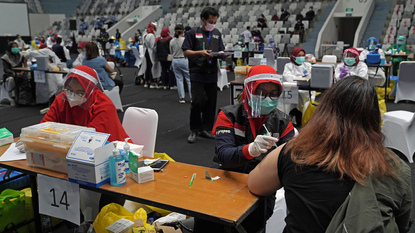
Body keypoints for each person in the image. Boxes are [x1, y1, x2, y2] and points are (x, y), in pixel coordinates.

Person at [248, 76, 413, 233]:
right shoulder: (394, 168)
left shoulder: (293, 153)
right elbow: (402, 225)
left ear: (324, 110)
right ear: (374, 118)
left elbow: (255, 184)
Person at [193, 65, 296, 233]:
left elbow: (288, 162)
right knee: (208, 218)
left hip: (261, 185)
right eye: (261, 93)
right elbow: (224, 156)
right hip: (226, 175)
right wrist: (251, 149)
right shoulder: (228, 115)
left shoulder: (283, 122)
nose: (267, 98)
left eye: (274, 94)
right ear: (248, 90)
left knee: (251, 222)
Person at [182, 7, 227, 143]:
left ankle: (206, 129)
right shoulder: (192, 33)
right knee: (197, 101)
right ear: (203, 19)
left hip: (212, 72)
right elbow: (186, 52)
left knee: (211, 103)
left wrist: (223, 55)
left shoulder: (217, 33)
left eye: (214, 21)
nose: (212, 24)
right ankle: (194, 129)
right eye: (210, 21)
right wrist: (200, 53)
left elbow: (221, 50)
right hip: (197, 72)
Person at [2, 42, 28, 106]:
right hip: (10, 74)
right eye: (13, 47)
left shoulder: (21, 56)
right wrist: (14, 73)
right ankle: (12, 98)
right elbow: (6, 69)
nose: (15, 48)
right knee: (11, 79)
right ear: (10, 48)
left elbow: (25, 67)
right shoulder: (5, 57)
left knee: (28, 77)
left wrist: (22, 72)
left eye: (16, 46)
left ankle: (27, 96)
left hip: (21, 73)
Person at [170, 24, 192, 103]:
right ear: (182, 32)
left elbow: (171, 52)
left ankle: (181, 98)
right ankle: (192, 97)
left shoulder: (172, 41)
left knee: (179, 80)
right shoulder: (185, 40)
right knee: (189, 79)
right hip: (184, 59)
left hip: (175, 60)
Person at [138, 22, 161, 88]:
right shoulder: (151, 35)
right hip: (151, 52)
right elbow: (152, 46)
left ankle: (146, 81)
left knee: (147, 66)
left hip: (146, 51)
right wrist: (157, 50)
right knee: (152, 66)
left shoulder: (144, 34)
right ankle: (152, 81)